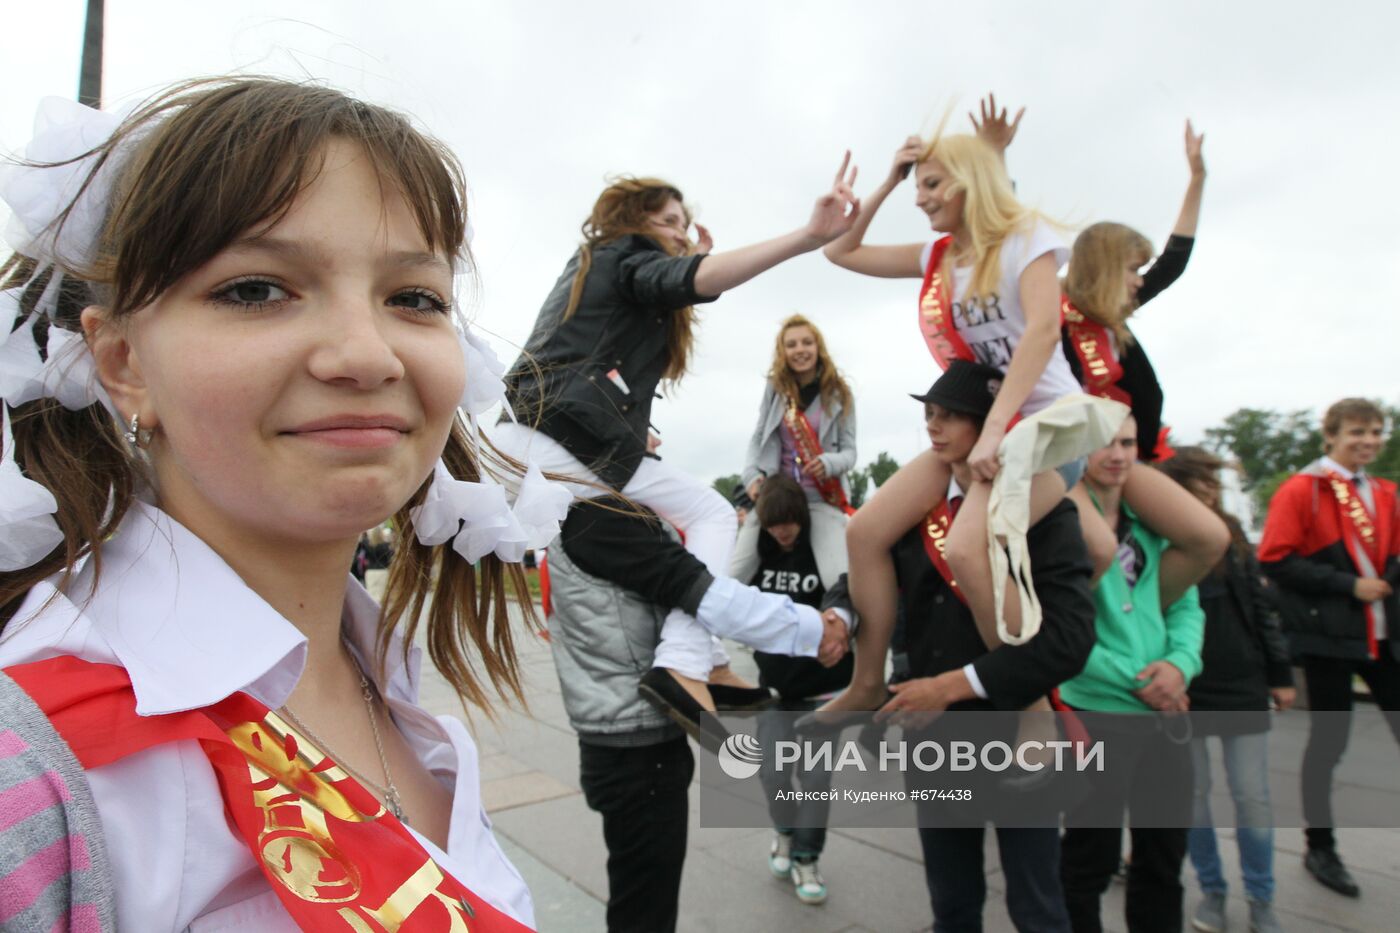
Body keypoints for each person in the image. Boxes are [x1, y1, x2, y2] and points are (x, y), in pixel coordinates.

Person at [0, 79, 553, 930]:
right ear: (122, 363)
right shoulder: (33, 768)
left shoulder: (387, 676)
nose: (367, 355)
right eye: (257, 289)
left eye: (414, 297)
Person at [493, 163, 860, 722]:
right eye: (669, 221)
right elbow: (689, 280)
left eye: (684, 224)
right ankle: (687, 661)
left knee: (682, 523)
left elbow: (593, 358)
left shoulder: (598, 270)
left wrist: (634, 430)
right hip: (560, 439)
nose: (679, 231)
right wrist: (806, 237)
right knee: (710, 514)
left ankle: (703, 658)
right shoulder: (623, 255)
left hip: (545, 433)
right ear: (634, 219)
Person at [819, 96, 1123, 718]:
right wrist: (889, 179)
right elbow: (840, 253)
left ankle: (1032, 707)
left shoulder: (1024, 239)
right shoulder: (937, 258)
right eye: (917, 185)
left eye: (932, 184)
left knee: (966, 547)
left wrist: (995, 433)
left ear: (970, 181)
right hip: (985, 427)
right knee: (864, 530)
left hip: (1048, 427)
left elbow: (1043, 332)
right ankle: (868, 682)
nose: (920, 198)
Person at [875, 360, 1098, 932]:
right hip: (935, 743)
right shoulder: (914, 512)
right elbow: (880, 589)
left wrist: (953, 686)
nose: (933, 425)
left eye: (951, 415)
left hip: (1016, 734)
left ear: (990, 427)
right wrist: (838, 616)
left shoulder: (1048, 515)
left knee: (1037, 907)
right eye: (930, 413)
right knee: (952, 904)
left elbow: (1070, 640)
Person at [1057, 415, 1206, 933]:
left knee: (1164, 857)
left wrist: (1180, 665)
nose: (1118, 455)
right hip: (1095, 713)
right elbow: (1059, 627)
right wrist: (1146, 683)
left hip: (1163, 716)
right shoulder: (1059, 525)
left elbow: (1185, 606)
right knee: (1089, 858)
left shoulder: (1156, 528)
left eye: (1128, 443)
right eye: (1104, 444)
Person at [1258, 397, 1400, 899]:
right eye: (1357, 432)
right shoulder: (1304, 490)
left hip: (1385, 637)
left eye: (1376, 432)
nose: (1368, 441)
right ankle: (1320, 846)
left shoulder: (1385, 492)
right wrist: (1347, 585)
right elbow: (1274, 559)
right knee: (1328, 746)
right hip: (1330, 640)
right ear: (1332, 436)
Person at [1158, 447, 1294, 933]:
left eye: (1214, 481)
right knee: (1193, 798)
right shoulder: (1158, 536)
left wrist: (1280, 673)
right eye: (1201, 481)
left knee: (1252, 796)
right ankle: (1212, 889)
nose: (1211, 491)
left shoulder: (1232, 535)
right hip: (1185, 685)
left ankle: (1261, 896)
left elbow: (1258, 608)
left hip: (1242, 680)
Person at [740, 475, 855, 906]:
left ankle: (807, 856)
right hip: (774, 687)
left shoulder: (824, 549)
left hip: (824, 688)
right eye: (773, 525)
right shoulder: (758, 549)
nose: (782, 532)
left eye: (787, 523)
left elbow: (851, 592)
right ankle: (785, 831)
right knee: (772, 771)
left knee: (816, 779)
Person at [733, 314, 857, 591]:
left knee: (838, 579)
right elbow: (759, 436)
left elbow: (850, 453)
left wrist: (828, 462)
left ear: (818, 347)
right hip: (777, 496)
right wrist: (751, 476)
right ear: (783, 352)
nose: (800, 350)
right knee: (735, 571)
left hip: (820, 497)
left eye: (806, 343)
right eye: (791, 345)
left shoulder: (841, 392)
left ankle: (844, 620)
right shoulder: (775, 388)